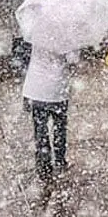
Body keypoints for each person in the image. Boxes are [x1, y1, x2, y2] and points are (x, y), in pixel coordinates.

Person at [22, 44, 81, 198]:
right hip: (57, 89)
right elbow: (73, 59)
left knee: (40, 128)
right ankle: (60, 160)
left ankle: (44, 163)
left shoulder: (37, 30)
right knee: (59, 127)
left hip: (37, 88)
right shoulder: (67, 36)